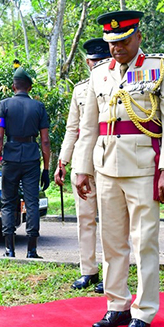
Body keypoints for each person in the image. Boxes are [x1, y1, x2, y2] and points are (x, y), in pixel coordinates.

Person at [72, 10, 164, 327]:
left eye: (122, 41)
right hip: (106, 167)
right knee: (112, 241)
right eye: (112, 43)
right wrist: (82, 168)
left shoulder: (160, 68)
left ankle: (143, 312)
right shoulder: (99, 75)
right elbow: (89, 128)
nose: (116, 48)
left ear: (138, 37)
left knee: (144, 241)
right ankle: (117, 304)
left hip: (144, 167)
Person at [54, 38, 111, 293]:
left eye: (103, 60)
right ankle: (88, 270)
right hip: (82, 160)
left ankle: (111, 273)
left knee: (111, 220)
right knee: (85, 219)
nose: (98, 65)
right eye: (94, 61)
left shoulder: (117, 83)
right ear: (88, 62)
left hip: (109, 156)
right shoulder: (80, 90)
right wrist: (63, 161)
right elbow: (72, 129)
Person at [0, 67, 51, 258]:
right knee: (32, 203)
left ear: (13, 87)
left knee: (8, 203)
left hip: (10, 158)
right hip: (31, 158)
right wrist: (46, 169)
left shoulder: (4, 105)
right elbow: (45, 141)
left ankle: (9, 250)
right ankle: (32, 250)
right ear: (30, 87)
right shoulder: (39, 107)